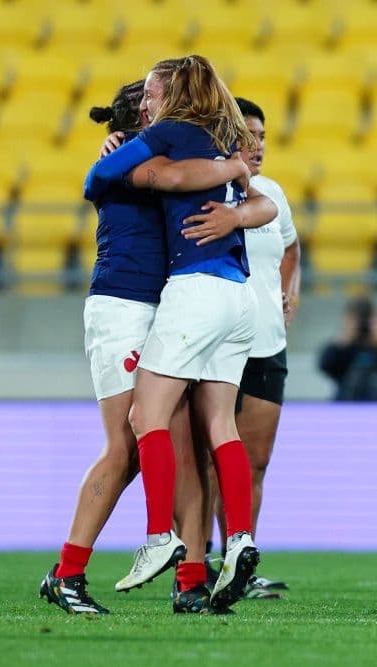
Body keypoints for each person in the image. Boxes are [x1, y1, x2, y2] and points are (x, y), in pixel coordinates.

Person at [39, 80, 262, 615]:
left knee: (180, 446)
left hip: (165, 305)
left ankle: (189, 581)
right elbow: (130, 178)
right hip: (123, 305)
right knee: (127, 448)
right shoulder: (124, 162)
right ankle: (66, 573)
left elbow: (253, 201)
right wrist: (234, 168)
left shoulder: (172, 154)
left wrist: (237, 193)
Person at [202, 97, 302, 599]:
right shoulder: (207, 191)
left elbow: (290, 246)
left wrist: (291, 287)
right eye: (249, 135)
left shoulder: (272, 194)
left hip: (267, 344)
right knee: (209, 459)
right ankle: (195, 562)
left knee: (254, 462)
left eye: (263, 136)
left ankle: (237, 561)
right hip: (217, 344)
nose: (259, 145)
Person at [318, 297, 377, 402]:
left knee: (376, 381)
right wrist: (342, 341)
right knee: (354, 379)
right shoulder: (344, 346)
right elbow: (325, 366)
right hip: (347, 402)